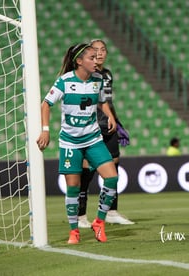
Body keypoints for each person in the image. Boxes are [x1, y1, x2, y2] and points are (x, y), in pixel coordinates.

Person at [36, 43, 119, 243]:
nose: (96, 59)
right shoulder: (64, 81)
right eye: (91, 57)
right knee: (73, 187)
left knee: (112, 178)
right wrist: (45, 131)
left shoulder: (98, 79)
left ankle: (99, 222)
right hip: (70, 142)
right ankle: (74, 231)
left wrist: (110, 116)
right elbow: (46, 104)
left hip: (93, 138)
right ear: (79, 62)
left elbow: (101, 101)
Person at [77, 39, 134, 227]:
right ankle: (80, 216)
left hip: (108, 127)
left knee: (113, 169)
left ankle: (111, 211)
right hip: (90, 128)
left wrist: (118, 124)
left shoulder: (107, 74)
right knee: (87, 172)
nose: (100, 53)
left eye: (103, 50)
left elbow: (107, 102)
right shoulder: (86, 74)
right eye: (95, 50)